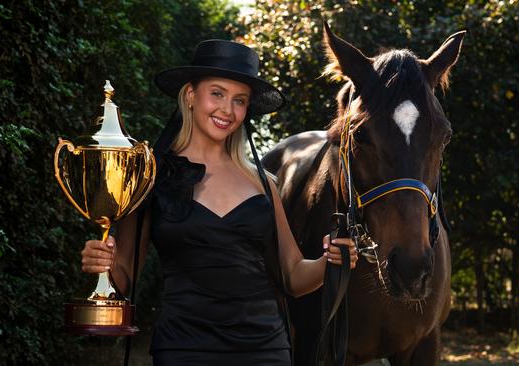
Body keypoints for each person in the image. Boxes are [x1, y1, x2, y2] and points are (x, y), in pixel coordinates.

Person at [80, 40, 357, 365]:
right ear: (190, 95)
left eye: (239, 100)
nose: (228, 109)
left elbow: (293, 275)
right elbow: (125, 274)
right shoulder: (149, 178)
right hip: (184, 349)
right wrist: (103, 262)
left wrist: (330, 261)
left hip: (265, 350)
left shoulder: (263, 182)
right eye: (217, 93)